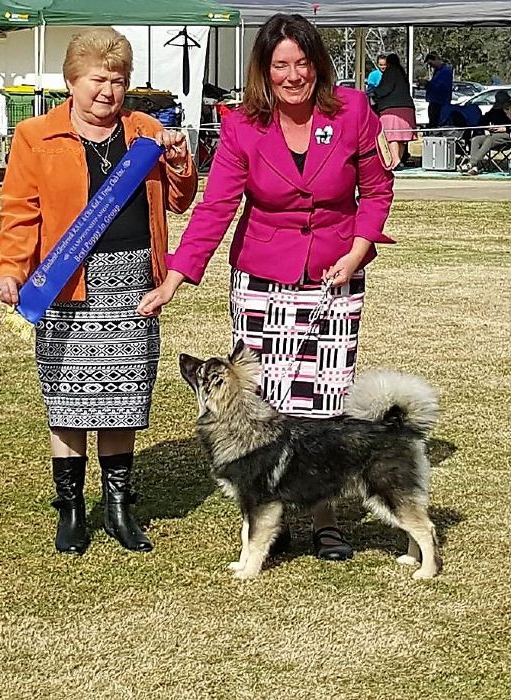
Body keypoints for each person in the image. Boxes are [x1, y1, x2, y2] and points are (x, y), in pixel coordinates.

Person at [138, 14, 395, 563]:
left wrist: (356, 251)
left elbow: (376, 190)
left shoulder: (353, 111)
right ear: (264, 69)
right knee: (266, 404)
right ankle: (266, 516)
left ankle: (325, 517)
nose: (293, 75)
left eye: (303, 63)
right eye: (281, 65)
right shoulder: (241, 126)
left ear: (318, 65)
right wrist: (175, 278)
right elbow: (215, 207)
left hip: (335, 272)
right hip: (261, 279)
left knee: (325, 401)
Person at [0, 28, 198, 555]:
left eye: (118, 80)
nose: (108, 90)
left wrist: (179, 159)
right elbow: (19, 213)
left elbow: (179, 199)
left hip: (132, 282)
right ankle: (71, 509)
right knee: (68, 400)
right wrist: (11, 269)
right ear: (71, 81)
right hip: (65, 283)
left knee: (123, 401)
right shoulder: (35, 136)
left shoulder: (145, 130)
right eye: (97, 80)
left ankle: (119, 507)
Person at [371, 53, 417, 168]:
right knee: (401, 138)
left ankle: (395, 161)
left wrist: (374, 93)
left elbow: (385, 88)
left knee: (391, 136)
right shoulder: (402, 74)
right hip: (407, 108)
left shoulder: (390, 72)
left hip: (392, 109)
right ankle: (398, 160)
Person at [462, 91, 511, 176]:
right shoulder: (494, 110)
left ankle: (471, 163)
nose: (506, 112)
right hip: (495, 135)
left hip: (508, 136)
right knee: (476, 139)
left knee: (489, 139)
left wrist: (505, 128)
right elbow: (482, 121)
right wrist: (489, 127)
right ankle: (474, 168)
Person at [422, 52, 453, 129]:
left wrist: (427, 83)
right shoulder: (437, 71)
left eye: (431, 63)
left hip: (440, 103)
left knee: (436, 123)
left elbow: (440, 86)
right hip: (434, 101)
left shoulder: (445, 70)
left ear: (436, 59)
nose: (431, 66)